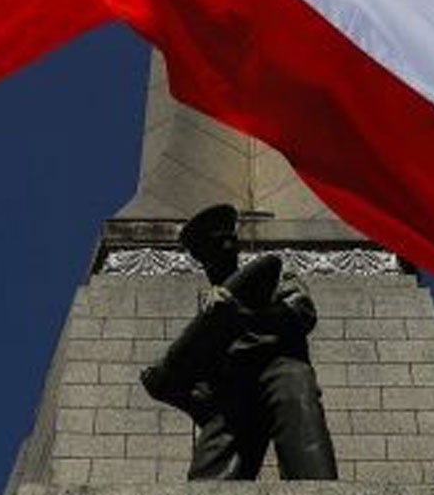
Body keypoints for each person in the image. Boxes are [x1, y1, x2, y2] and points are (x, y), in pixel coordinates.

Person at [138, 202, 339, 480]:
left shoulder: (272, 275)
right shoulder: (207, 308)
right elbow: (193, 371)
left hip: (279, 366)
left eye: (229, 240)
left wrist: (242, 316)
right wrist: (170, 386)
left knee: (296, 397)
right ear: (201, 256)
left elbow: (301, 313)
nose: (227, 247)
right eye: (215, 245)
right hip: (232, 387)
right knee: (209, 476)